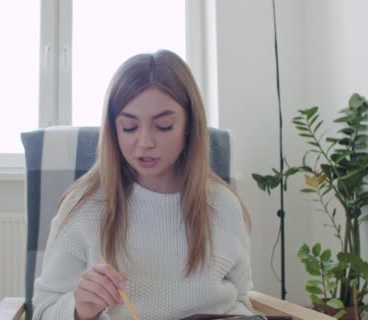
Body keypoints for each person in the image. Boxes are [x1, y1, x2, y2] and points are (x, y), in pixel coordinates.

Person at [33, 49, 254, 320]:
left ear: (189, 125)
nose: (145, 142)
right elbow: (43, 311)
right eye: (129, 127)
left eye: (163, 126)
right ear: (113, 129)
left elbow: (242, 300)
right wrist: (79, 310)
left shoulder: (223, 205)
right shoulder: (84, 206)